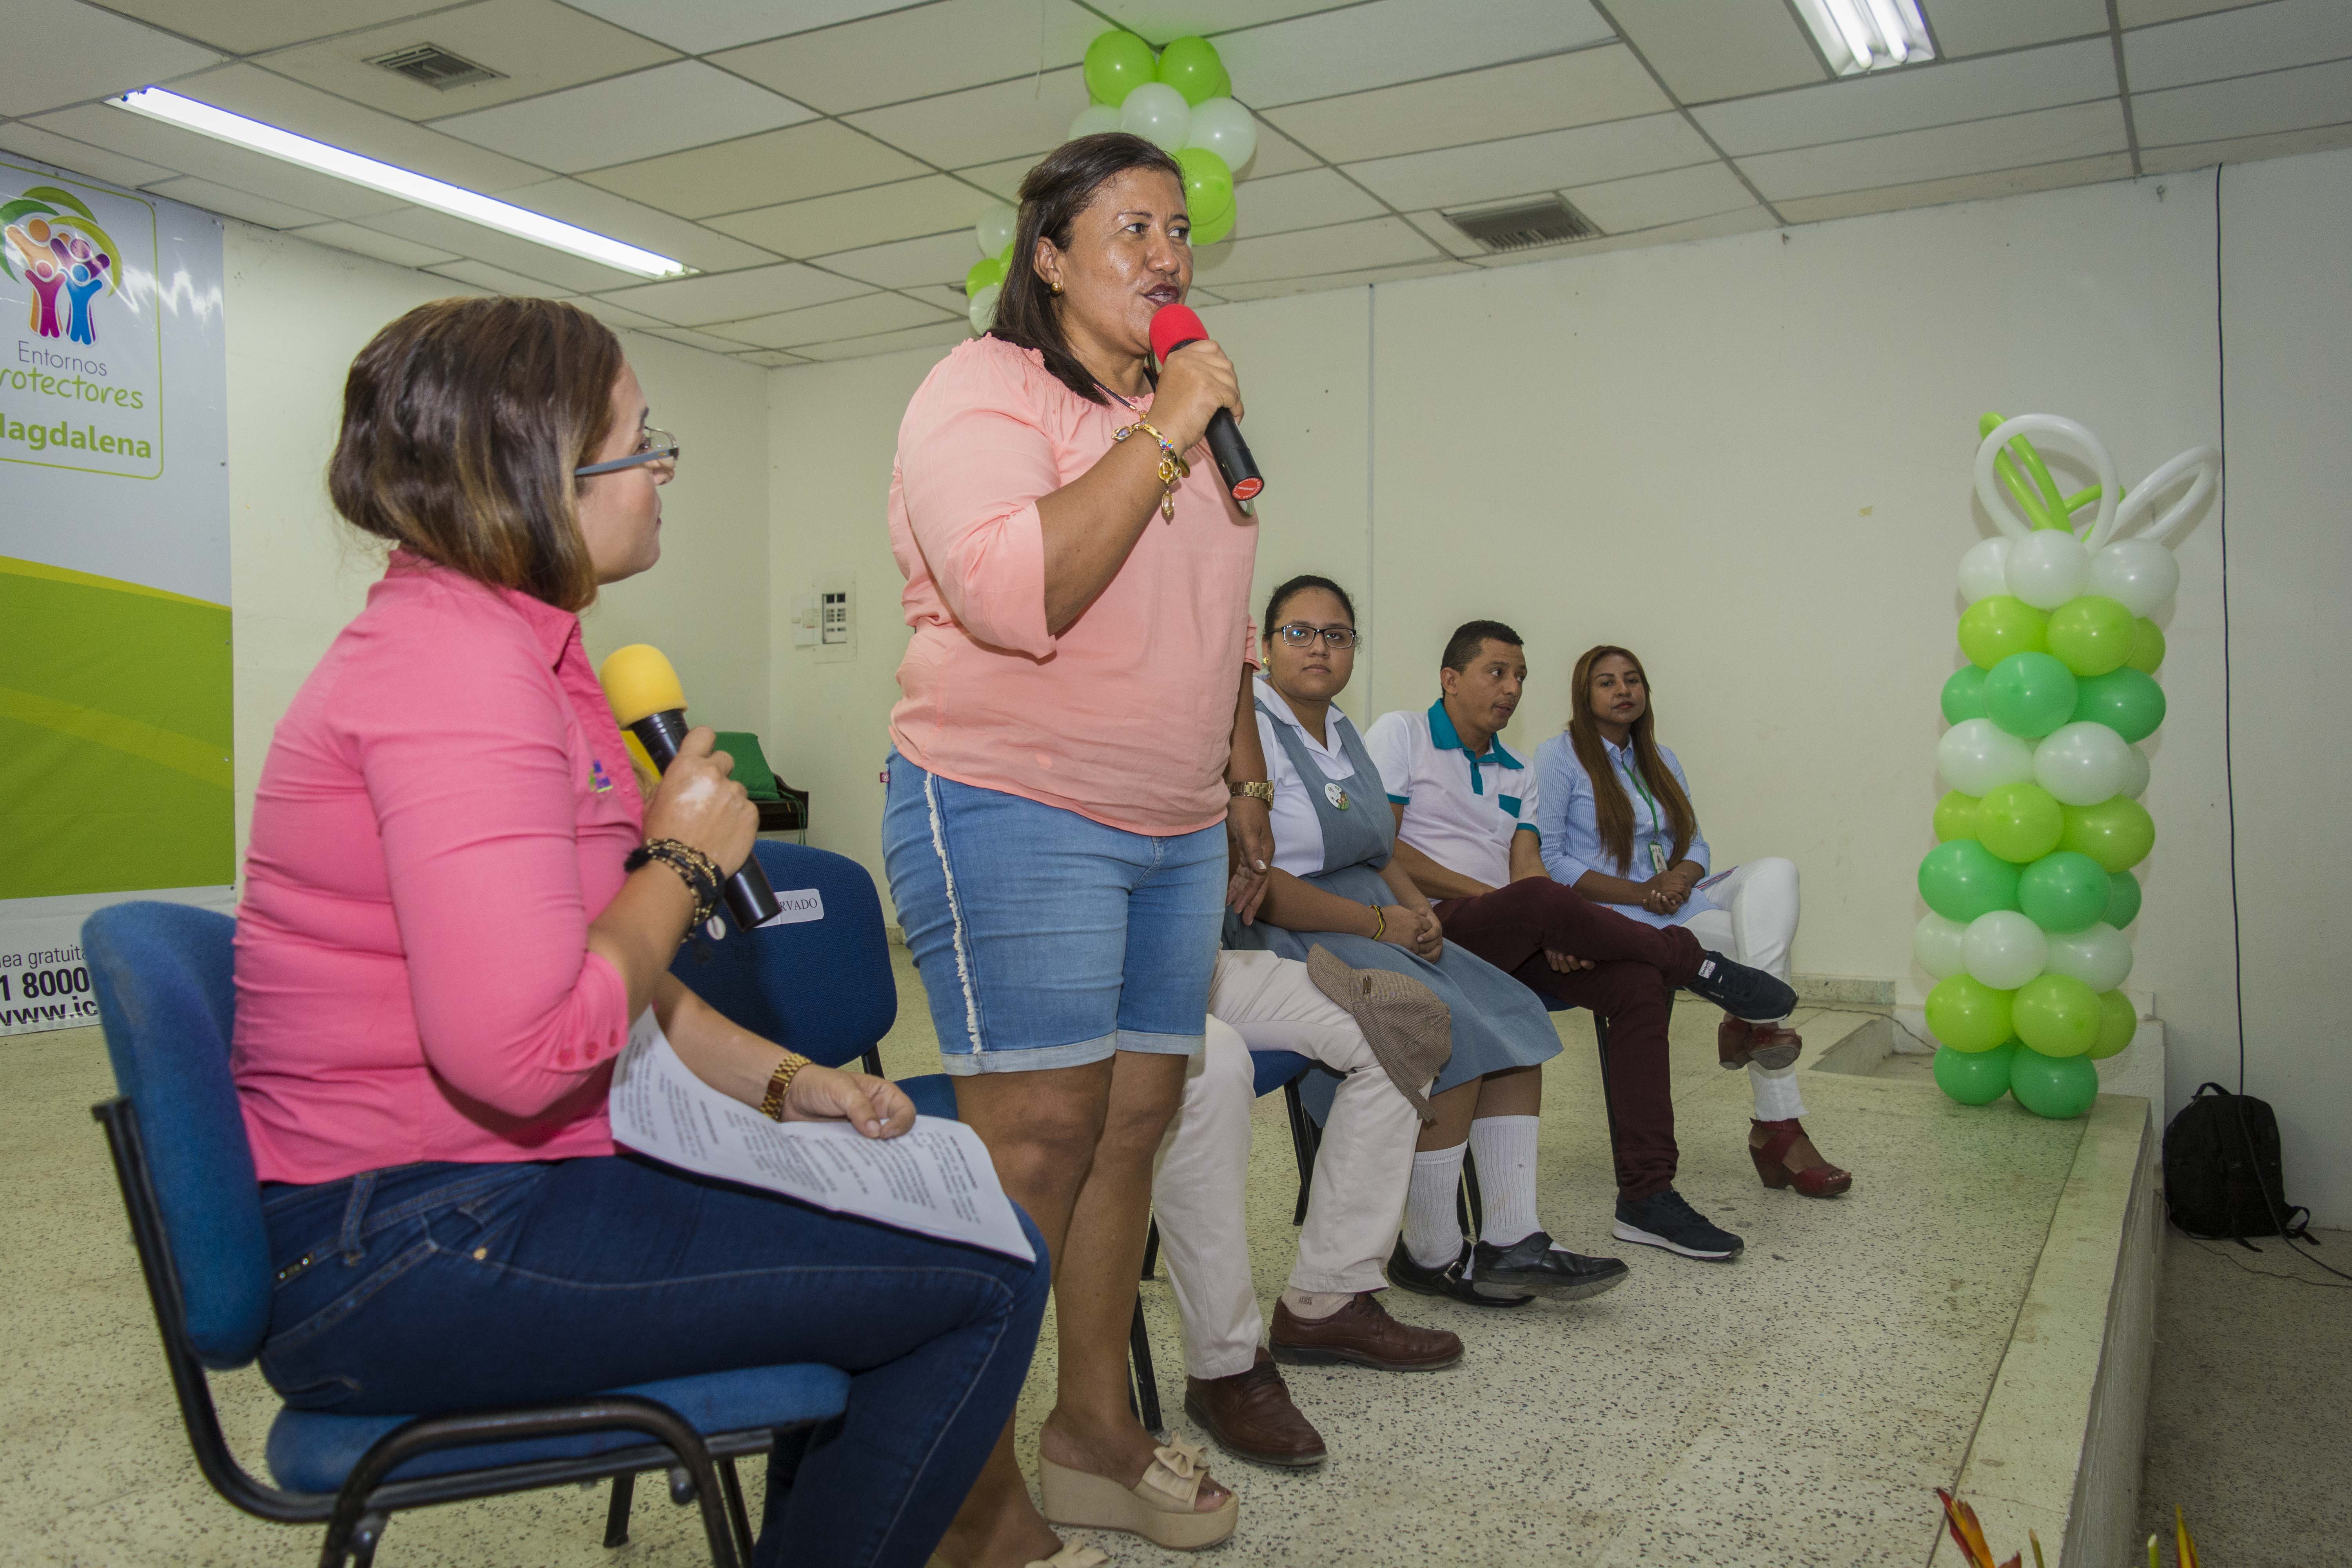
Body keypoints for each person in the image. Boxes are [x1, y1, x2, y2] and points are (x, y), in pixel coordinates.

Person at [232, 297, 1050, 1568]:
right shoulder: (457, 679)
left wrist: (793, 1084)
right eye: (637, 439)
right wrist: (677, 860)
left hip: (458, 1196)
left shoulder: (517, 649)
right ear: (536, 476)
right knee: (987, 1278)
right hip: (402, 1244)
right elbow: (521, 1049)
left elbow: (613, 974)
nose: (664, 467)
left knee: (924, 1226)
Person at [878, 133, 1266, 1563]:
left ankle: (1094, 1432)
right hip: (1009, 797)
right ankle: (967, 1483)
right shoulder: (983, 389)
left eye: (1178, 227)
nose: (1167, 251)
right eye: (1129, 228)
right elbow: (1009, 591)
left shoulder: (1186, 415)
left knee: (1134, 1124)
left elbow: (1216, 633)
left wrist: (1238, 779)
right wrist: (1161, 428)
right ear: (1049, 256)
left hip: (1171, 827)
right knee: (1036, 1140)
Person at [1225, 575, 1631, 1310]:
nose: (1320, 647)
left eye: (1337, 634)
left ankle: (1512, 1239)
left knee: (1509, 1005)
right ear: (1264, 644)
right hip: (1295, 929)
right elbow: (1262, 884)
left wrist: (1421, 914)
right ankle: (1435, 1251)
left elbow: (1382, 848)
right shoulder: (1249, 730)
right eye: (1300, 632)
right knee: (1444, 1022)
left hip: (1375, 911)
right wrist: (1384, 925)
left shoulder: (1343, 730)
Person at [1364, 622, 1802, 1264]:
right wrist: (1530, 910)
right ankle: (1696, 963)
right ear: (1450, 679)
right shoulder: (1401, 733)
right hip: (1427, 930)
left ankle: (1648, 1197)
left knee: (1634, 986)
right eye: (1496, 672)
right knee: (1548, 905)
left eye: (1519, 676)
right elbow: (1384, 847)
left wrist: (1555, 923)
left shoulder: (1517, 772)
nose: (1512, 688)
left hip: (1507, 932)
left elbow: (1528, 866)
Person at [1534, 645, 1851, 1197]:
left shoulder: (1661, 758)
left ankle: (1752, 1024)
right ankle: (1778, 1123)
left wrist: (1679, 878)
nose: (1623, 691)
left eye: (1633, 680)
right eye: (1606, 683)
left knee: (1777, 874)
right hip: (1621, 918)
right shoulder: (1558, 758)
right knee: (1760, 969)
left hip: (1679, 905)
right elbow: (1553, 857)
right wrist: (1642, 890)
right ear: (1584, 697)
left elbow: (1695, 840)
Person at [1151, 948, 1461, 1469]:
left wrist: (1239, 864)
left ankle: (1329, 1299)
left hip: (1188, 954)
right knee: (1213, 1062)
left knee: (1401, 1016)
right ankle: (1224, 1365)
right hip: (1078, 967)